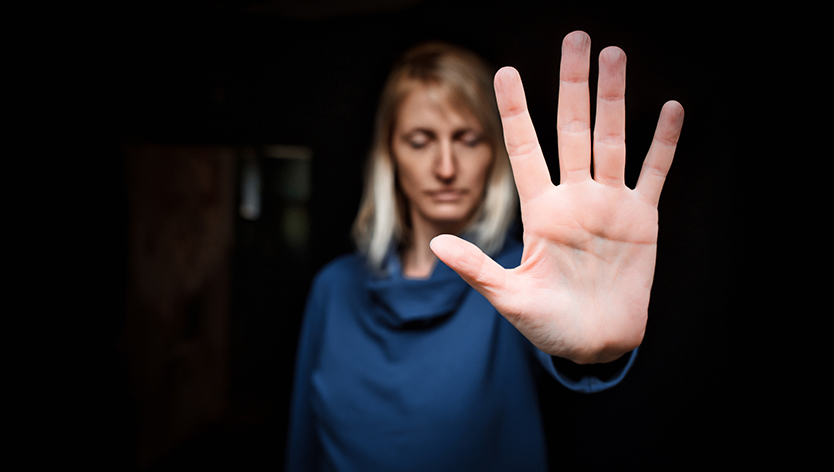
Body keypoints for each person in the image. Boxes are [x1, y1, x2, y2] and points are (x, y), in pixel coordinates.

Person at [286, 30, 684, 471]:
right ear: (390, 153)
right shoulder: (334, 288)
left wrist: (594, 349)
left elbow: (576, 348)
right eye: (420, 140)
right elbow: (303, 443)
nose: (445, 167)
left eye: (468, 139)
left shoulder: (524, 274)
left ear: (495, 151)